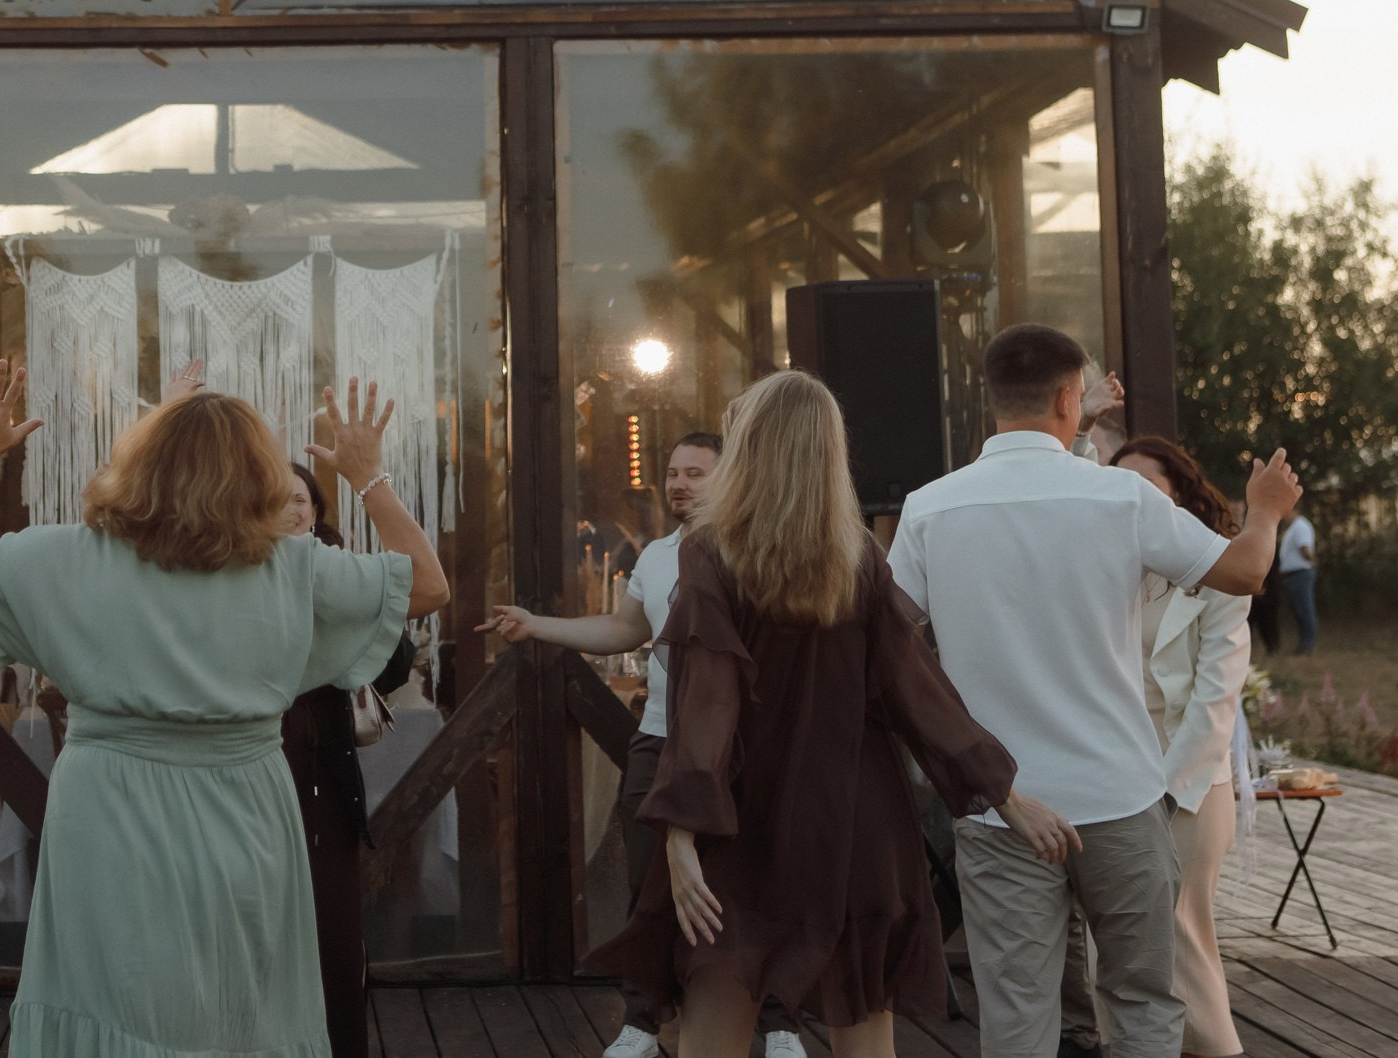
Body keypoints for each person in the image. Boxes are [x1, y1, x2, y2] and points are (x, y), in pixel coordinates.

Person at [0, 369, 448, 1057]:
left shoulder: (67, 556)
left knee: (114, 994)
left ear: (138, 464)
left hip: (108, 807)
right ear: (260, 475)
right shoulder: (292, 567)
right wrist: (370, 476)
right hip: (244, 806)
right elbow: (427, 584)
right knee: (236, 1001)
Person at [595, 372, 1073, 1058]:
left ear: (752, 448)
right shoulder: (858, 557)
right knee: (862, 1024)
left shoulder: (710, 550)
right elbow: (917, 689)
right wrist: (1007, 794)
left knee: (716, 1018)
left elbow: (708, 701)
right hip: (855, 820)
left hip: (747, 821)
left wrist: (680, 836)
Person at [888, 323, 1298, 1058]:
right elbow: (1242, 573)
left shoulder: (930, 507)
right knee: (1141, 1001)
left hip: (999, 808)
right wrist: (1265, 506)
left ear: (991, 400)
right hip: (1119, 794)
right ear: (1069, 398)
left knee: (1017, 1017)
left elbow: (887, 639)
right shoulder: (1119, 498)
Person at [485, 433, 805, 1058]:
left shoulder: (762, 552)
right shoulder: (658, 555)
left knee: (755, 885)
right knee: (648, 885)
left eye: (696, 472)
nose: (680, 483)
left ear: (731, 476)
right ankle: (646, 1019)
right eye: (673, 472)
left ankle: (777, 1022)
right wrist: (536, 626)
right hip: (660, 740)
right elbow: (624, 628)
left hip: (749, 750)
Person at [1108, 436, 1252, 1058]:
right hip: (1112, 776)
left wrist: (1162, 793)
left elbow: (1215, 703)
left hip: (1186, 784)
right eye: (1121, 487)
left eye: (1147, 488)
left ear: (1180, 497)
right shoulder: (1103, 566)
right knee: (1114, 953)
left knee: (1178, 945)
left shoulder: (1221, 572)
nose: (1131, 500)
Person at [280, 460, 416, 1058]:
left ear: (316, 512)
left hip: (324, 771)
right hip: (248, 768)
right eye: (276, 500)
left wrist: (357, 613)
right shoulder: (229, 572)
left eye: (300, 501)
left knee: (332, 932)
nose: (291, 510)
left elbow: (396, 664)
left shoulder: (345, 571)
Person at [1276, 497, 1320, 655]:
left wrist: (1312, 562)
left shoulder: (1301, 526)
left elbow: (1305, 549)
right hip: (1293, 575)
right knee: (1299, 610)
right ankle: (1304, 642)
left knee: (1305, 609)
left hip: (1300, 573)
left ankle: (1308, 645)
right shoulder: (1293, 527)